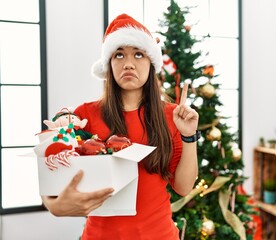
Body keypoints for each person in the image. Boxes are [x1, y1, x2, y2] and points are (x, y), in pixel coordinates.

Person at [41, 13, 199, 239]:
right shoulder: (83, 116)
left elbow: (183, 188)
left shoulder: (173, 116)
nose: (128, 64)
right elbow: (52, 172)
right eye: (118, 55)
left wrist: (189, 136)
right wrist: (53, 205)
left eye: (138, 54)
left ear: (151, 63)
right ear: (109, 64)